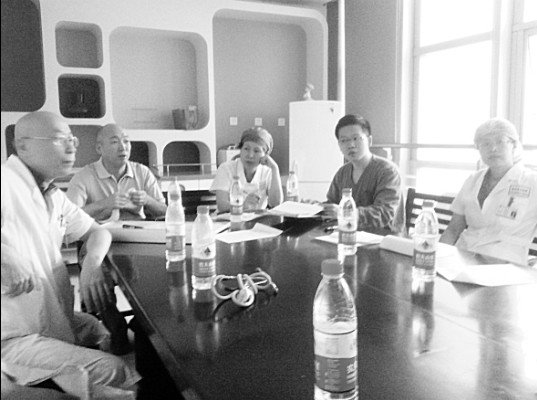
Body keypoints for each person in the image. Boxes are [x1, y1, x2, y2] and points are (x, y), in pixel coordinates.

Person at [1, 111, 140, 399]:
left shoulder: (52, 194)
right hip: (12, 335)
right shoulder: (5, 182)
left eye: (72, 139)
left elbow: (98, 232)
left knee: (99, 330)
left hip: (46, 315)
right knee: (114, 370)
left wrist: (92, 264)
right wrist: (5, 256)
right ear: (23, 146)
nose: (72, 147)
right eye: (59, 139)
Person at [440, 118, 537, 265]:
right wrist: (436, 258)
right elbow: (454, 229)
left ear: (514, 145)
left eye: (500, 141)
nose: (493, 149)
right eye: (485, 144)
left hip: (505, 266)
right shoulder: (472, 180)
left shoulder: (532, 182)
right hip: (463, 256)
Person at [67, 123, 167, 222]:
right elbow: (69, 216)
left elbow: (165, 212)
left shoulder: (143, 172)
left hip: (137, 229)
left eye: (126, 141)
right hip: (99, 229)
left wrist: (148, 200)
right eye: (114, 142)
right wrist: (103, 204)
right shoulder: (83, 176)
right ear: (99, 148)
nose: (122, 147)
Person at [324, 114, 405, 235]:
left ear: (369, 141)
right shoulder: (342, 172)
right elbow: (332, 203)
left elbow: (384, 213)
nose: (350, 145)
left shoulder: (388, 171)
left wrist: (346, 213)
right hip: (350, 235)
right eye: (344, 140)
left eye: (356, 138)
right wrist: (314, 207)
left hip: (385, 239)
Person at [211, 127, 283, 212]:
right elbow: (222, 206)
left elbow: (275, 204)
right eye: (246, 149)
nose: (250, 155)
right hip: (227, 218)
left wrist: (275, 168)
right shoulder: (226, 168)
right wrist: (243, 206)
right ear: (240, 150)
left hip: (257, 219)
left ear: (265, 154)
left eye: (256, 151)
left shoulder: (268, 172)